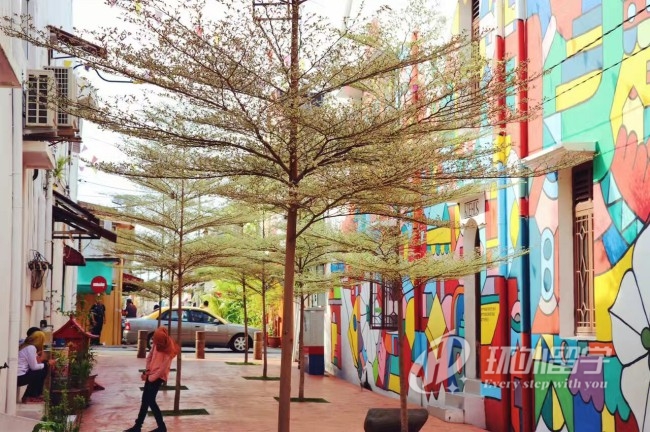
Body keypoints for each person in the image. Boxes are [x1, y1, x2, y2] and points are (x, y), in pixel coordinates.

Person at [123, 327, 179, 432]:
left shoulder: (168, 348)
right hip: (151, 374)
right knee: (145, 401)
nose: (156, 344)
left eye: (158, 342)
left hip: (159, 377)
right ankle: (138, 426)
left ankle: (161, 427)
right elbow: (150, 356)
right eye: (155, 341)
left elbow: (163, 369)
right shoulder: (156, 343)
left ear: (162, 340)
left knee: (150, 401)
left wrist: (151, 377)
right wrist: (148, 370)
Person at [17, 330, 55, 403]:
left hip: (19, 376)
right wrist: (47, 364)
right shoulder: (31, 348)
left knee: (42, 367)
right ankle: (31, 396)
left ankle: (32, 395)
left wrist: (44, 363)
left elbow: (37, 362)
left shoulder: (25, 345)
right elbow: (34, 367)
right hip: (19, 377)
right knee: (41, 370)